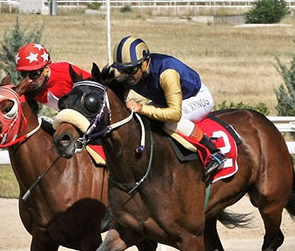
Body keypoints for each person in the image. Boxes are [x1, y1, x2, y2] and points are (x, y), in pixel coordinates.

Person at [110, 35, 226, 182]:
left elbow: (175, 113)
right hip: (166, 99)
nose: (127, 76)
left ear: (145, 63)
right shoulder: (133, 73)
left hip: (197, 98)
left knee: (168, 122)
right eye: (122, 71)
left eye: (131, 70)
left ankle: (214, 152)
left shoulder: (167, 73)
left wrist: (141, 108)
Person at [15, 43, 91, 111]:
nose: (29, 81)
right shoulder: (28, 89)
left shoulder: (66, 71)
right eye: (23, 74)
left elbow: (98, 88)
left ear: (46, 69)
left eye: (34, 74)